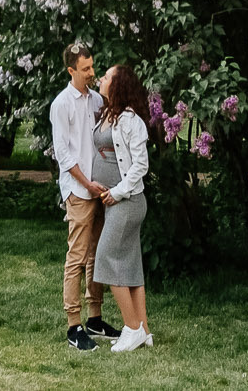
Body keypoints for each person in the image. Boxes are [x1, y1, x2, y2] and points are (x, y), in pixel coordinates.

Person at [50, 44, 113, 350]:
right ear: (71, 71)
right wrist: (87, 184)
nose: (92, 72)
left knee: (96, 255)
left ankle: (95, 318)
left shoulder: (97, 100)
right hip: (79, 190)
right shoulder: (62, 105)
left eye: (92, 66)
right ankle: (74, 326)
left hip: (100, 189)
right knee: (76, 257)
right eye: (85, 69)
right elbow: (63, 153)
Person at [92, 63, 154, 351]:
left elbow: (141, 165)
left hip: (127, 202)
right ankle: (143, 329)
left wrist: (116, 192)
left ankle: (130, 328)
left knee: (106, 257)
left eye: (106, 77)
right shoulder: (108, 113)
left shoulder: (131, 121)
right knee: (129, 265)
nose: (100, 79)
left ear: (118, 85)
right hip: (117, 201)